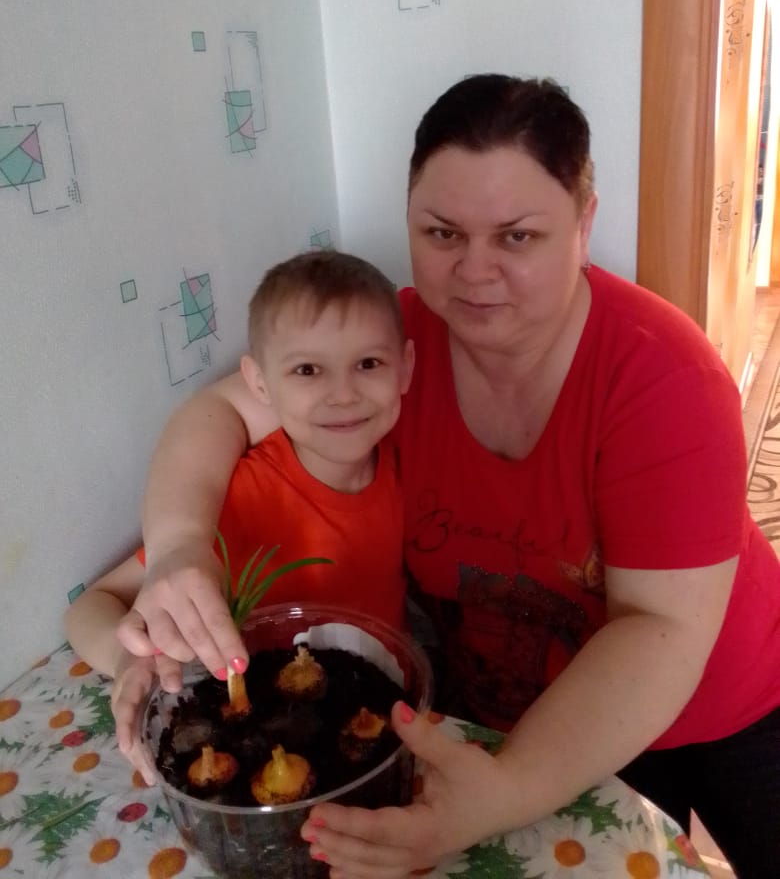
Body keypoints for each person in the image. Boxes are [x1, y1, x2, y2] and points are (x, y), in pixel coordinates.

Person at [118, 75, 780, 879]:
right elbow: (219, 412)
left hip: (723, 704)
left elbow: (658, 631)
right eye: (442, 233)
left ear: (584, 224)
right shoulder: (387, 351)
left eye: (517, 236)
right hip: (514, 718)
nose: (474, 272)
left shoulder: (662, 377)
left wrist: (504, 790)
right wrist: (181, 546)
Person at [66, 249, 414, 783]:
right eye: (307, 370)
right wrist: (129, 658)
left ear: (405, 368)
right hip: (268, 752)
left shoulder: (406, 463)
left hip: (384, 729)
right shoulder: (243, 496)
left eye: (368, 364)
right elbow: (90, 605)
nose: (343, 395)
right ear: (259, 384)